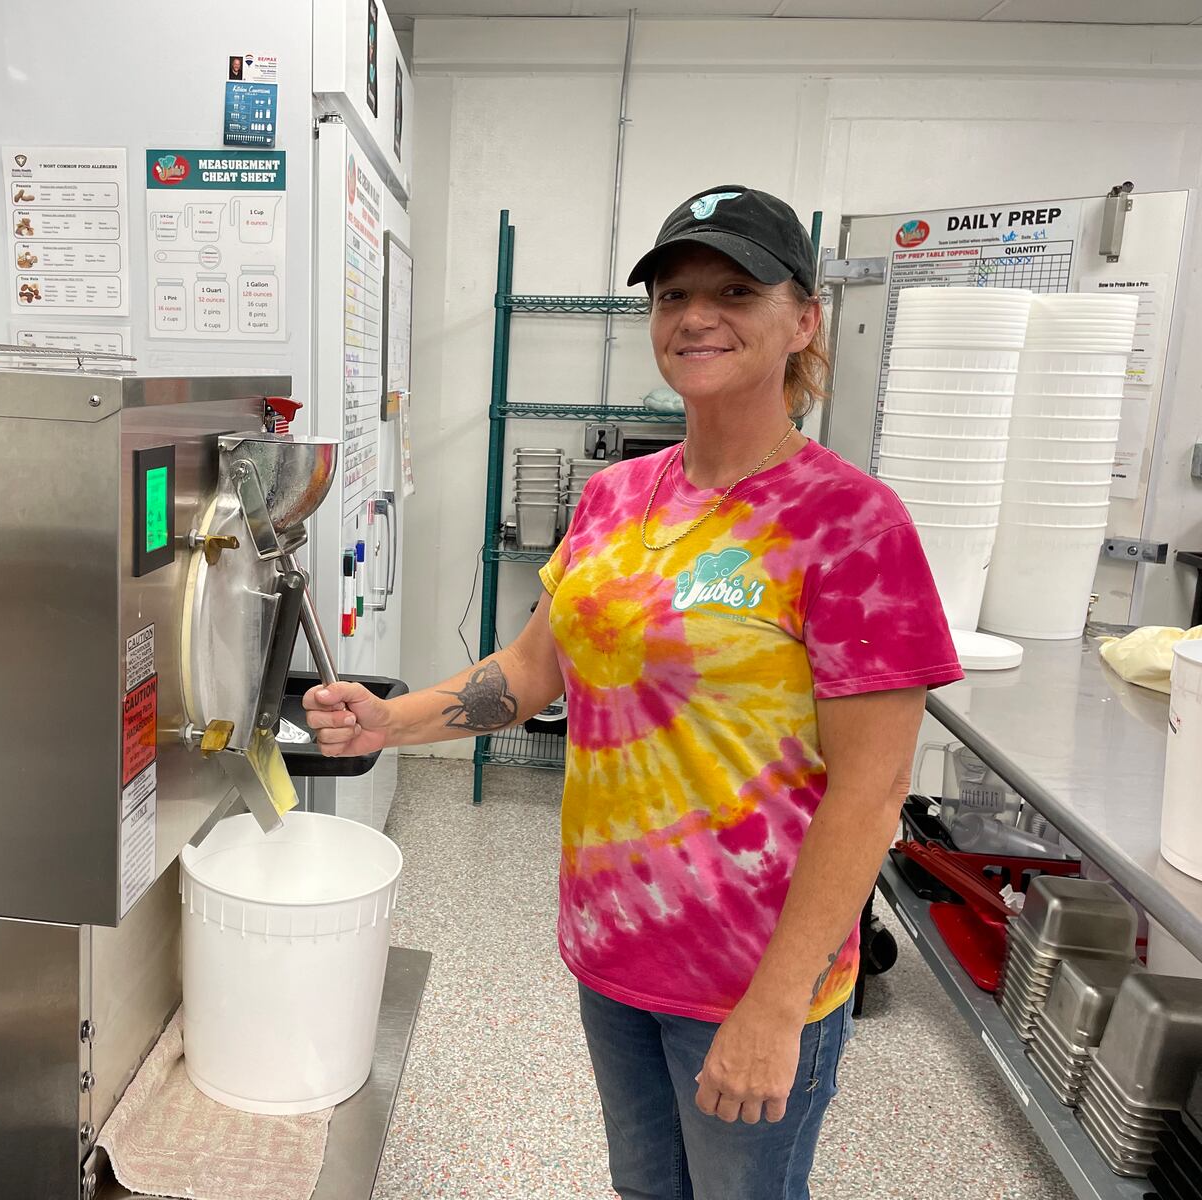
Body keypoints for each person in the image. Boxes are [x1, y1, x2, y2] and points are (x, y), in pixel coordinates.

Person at [304, 185, 963, 1199]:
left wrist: (776, 1007)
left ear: (802, 319)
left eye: (733, 290)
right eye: (671, 293)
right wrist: (389, 722)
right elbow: (531, 671)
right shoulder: (616, 499)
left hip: (750, 973)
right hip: (614, 954)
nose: (695, 315)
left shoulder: (851, 525)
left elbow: (871, 793)